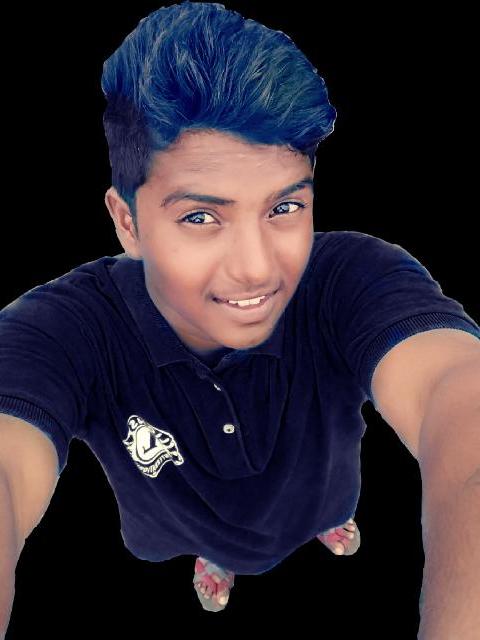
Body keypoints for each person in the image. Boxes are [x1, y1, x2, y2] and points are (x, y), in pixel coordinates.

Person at [1, 0, 479, 629]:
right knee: (213, 541)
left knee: (329, 508)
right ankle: (217, 559)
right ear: (128, 221)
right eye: (201, 217)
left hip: (320, 494)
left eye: (284, 208)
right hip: (180, 523)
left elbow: (458, 393)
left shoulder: (351, 276)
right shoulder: (66, 329)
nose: (256, 270)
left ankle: (326, 522)